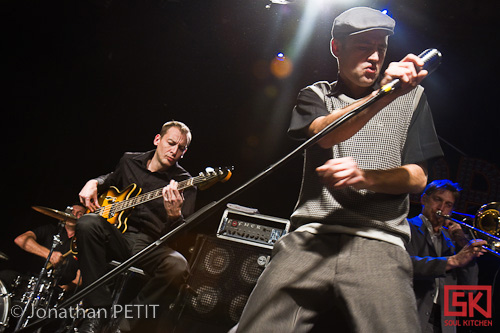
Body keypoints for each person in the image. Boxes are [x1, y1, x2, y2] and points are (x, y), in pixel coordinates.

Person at [234, 7, 443, 332]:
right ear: (336, 48)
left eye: (382, 47)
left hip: (380, 240)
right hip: (311, 236)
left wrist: (367, 177)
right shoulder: (316, 95)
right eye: (363, 46)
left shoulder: (413, 97)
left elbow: (418, 178)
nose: (375, 56)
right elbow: (327, 134)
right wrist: (382, 95)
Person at [76, 120, 196, 332]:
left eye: (181, 148)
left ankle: (125, 325)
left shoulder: (185, 182)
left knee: (178, 266)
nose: (174, 151)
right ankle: (97, 312)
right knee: (87, 223)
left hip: (150, 245)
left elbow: (180, 238)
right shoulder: (129, 160)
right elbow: (112, 179)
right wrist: (94, 182)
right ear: (157, 139)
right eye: (171, 143)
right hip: (118, 236)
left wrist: (174, 215)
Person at [405, 180, 486, 333]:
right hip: (413, 317)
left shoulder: (453, 241)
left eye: (448, 205)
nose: (441, 208)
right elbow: (406, 265)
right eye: (438, 200)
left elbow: (470, 289)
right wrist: (453, 260)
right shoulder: (406, 227)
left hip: (445, 324)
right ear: (424, 199)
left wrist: (462, 244)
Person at [13, 202, 85, 292]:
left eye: (80, 214)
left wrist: (69, 287)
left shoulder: (84, 242)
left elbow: (81, 276)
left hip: (58, 291)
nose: (74, 215)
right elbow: (21, 239)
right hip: (31, 281)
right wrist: (48, 254)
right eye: (72, 211)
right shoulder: (51, 229)